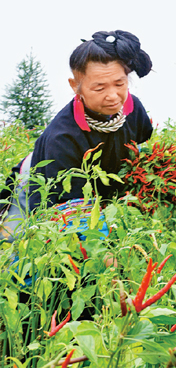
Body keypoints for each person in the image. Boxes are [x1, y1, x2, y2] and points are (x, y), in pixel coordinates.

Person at [0, 30, 154, 241]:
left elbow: (140, 148)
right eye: (99, 88)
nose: (112, 96)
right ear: (76, 86)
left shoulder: (132, 108)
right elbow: (67, 212)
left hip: (94, 191)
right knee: (19, 246)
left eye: (119, 84)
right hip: (39, 182)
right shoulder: (63, 138)